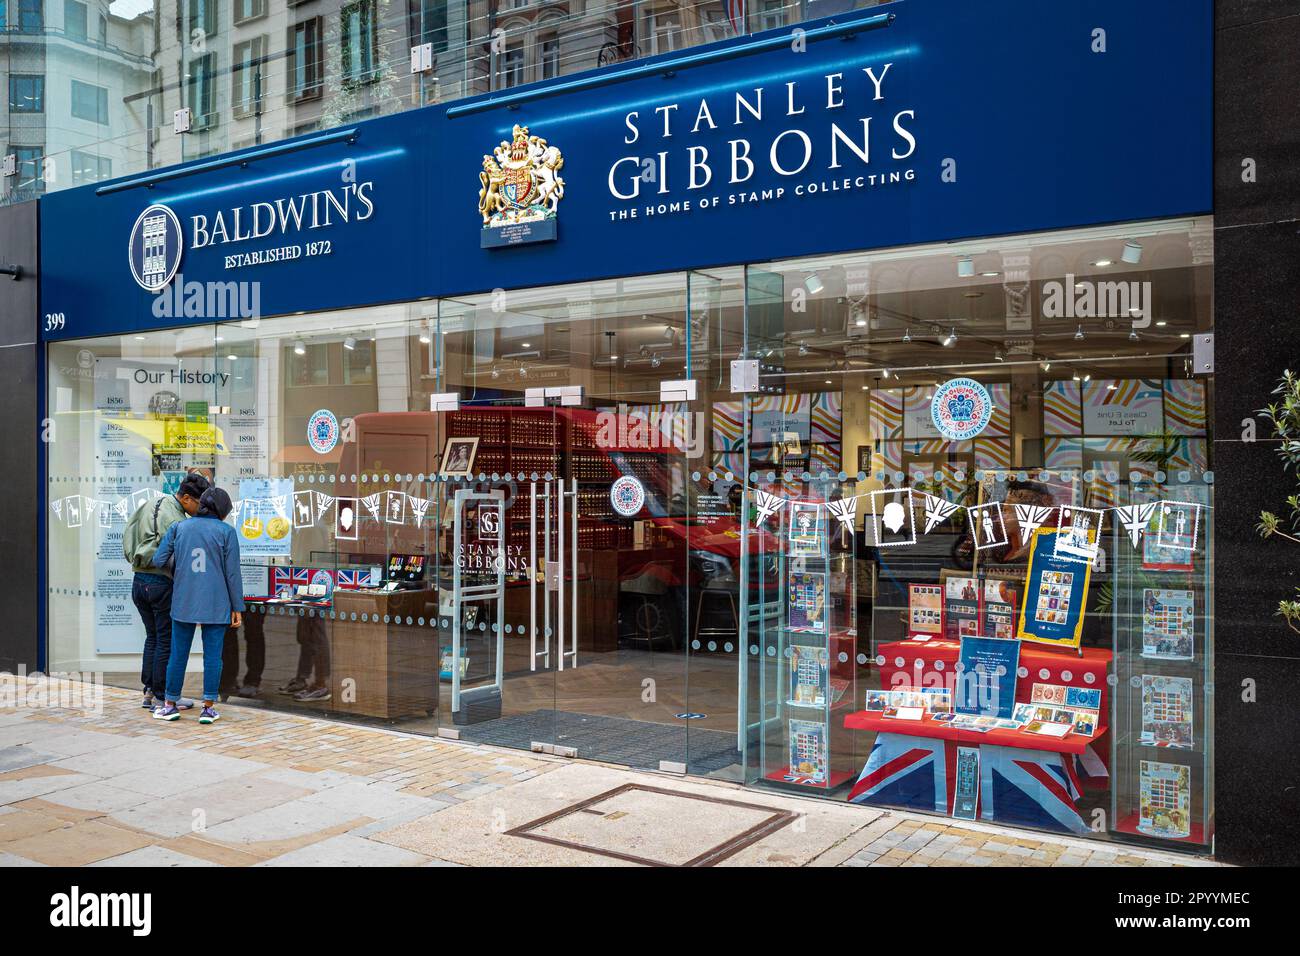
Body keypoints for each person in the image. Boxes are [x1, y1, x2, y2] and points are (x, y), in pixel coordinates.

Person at [151, 486, 245, 724]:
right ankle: (208, 708)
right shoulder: (227, 532)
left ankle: (170, 704)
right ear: (222, 510)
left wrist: (180, 572)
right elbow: (232, 574)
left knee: (177, 654)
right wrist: (237, 607)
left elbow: (158, 559)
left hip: (184, 600)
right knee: (213, 656)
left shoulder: (179, 527)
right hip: (217, 602)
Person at [123, 472, 210, 711]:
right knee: (165, 641)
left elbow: (129, 532)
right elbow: (177, 555)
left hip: (139, 580)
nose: (200, 509)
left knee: (152, 637)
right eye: (199, 503)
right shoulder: (176, 519)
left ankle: (149, 692)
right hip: (161, 583)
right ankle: (163, 696)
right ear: (186, 498)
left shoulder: (151, 503)